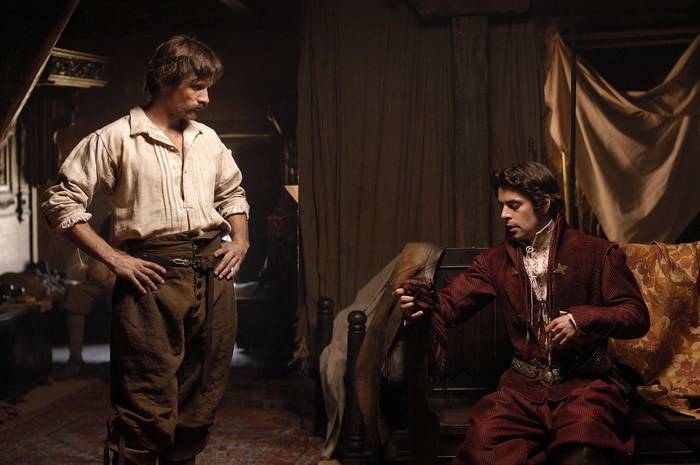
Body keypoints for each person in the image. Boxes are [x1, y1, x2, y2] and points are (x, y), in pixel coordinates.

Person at [41, 35, 249, 465]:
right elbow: (60, 203)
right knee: (145, 403)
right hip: (151, 281)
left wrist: (241, 240)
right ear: (165, 80)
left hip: (213, 277)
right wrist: (114, 258)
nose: (206, 98)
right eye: (197, 87)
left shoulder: (208, 139)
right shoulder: (116, 138)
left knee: (200, 400)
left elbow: (232, 194)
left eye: (208, 88)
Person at [394, 161, 649, 465]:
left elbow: (636, 315)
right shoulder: (493, 261)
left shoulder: (598, 253)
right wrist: (421, 305)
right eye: (502, 205)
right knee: (484, 448)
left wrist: (581, 319)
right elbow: (449, 305)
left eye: (514, 205)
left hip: (584, 385)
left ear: (544, 203)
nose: (504, 215)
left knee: (584, 448)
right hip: (520, 390)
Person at [58, 215, 115, 380]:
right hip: (93, 285)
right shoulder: (93, 243)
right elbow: (73, 268)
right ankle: (75, 359)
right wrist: (87, 271)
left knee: (117, 297)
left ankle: (118, 362)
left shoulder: (129, 244)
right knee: (75, 294)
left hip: (117, 286)